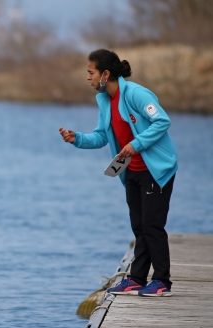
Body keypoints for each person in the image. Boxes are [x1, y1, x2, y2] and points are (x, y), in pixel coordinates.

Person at [59, 49, 177, 297]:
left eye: (90, 73)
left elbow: (162, 121)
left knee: (152, 225)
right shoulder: (104, 100)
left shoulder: (135, 94)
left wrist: (136, 144)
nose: (88, 78)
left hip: (156, 170)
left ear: (106, 74)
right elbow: (103, 136)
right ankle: (136, 278)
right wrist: (77, 138)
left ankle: (162, 281)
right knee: (138, 225)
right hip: (130, 171)